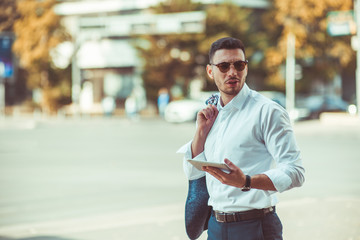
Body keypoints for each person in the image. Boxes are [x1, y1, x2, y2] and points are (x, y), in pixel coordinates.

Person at [177, 37, 305, 240]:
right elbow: (195, 173)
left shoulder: (267, 111)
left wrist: (246, 181)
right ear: (211, 71)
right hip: (215, 226)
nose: (232, 72)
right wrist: (200, 133)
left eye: (239, 64)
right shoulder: (210, 113)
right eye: (223, 66)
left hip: (255, 226)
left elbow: (295, 172)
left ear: (246, 68)